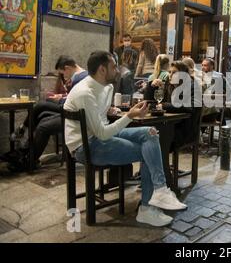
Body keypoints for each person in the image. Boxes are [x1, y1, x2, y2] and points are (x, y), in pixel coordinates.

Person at [64, 51, 187, 227]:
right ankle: (147, 209)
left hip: (101, 134)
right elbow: (102, 134)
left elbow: (100, 118)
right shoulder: (85, 92)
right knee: (148, 152)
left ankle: (160, 190)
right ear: (102, 70)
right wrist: (129, 115)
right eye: (114, 66)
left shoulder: (106, 87)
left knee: (150, 132)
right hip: (85, 146)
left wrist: (110, 111)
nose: (118, 70)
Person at [9, 56, 88, 170]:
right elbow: (75, 98)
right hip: (70, 111)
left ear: (67, 68)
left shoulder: (80, 78)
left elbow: (74, 103)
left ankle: (29, 160)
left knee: (43, 124)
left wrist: (59, 99)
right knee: (42, 115)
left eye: (63, 74)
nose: (64, 77)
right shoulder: (80, 76)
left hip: (75, 117)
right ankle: (25, 152)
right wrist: (62, 97)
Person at [157, 61, 202, 149]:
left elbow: (189, 107)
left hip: (185, 130)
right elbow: (157, 101)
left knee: (156, 140)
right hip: (170, 125)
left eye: (174, 73)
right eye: (169, 72)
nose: (170, 75)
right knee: (149, 135)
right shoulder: (170, 86)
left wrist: (165, 106)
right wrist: (151, 86)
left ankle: (161, 162)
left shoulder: (193, 86)